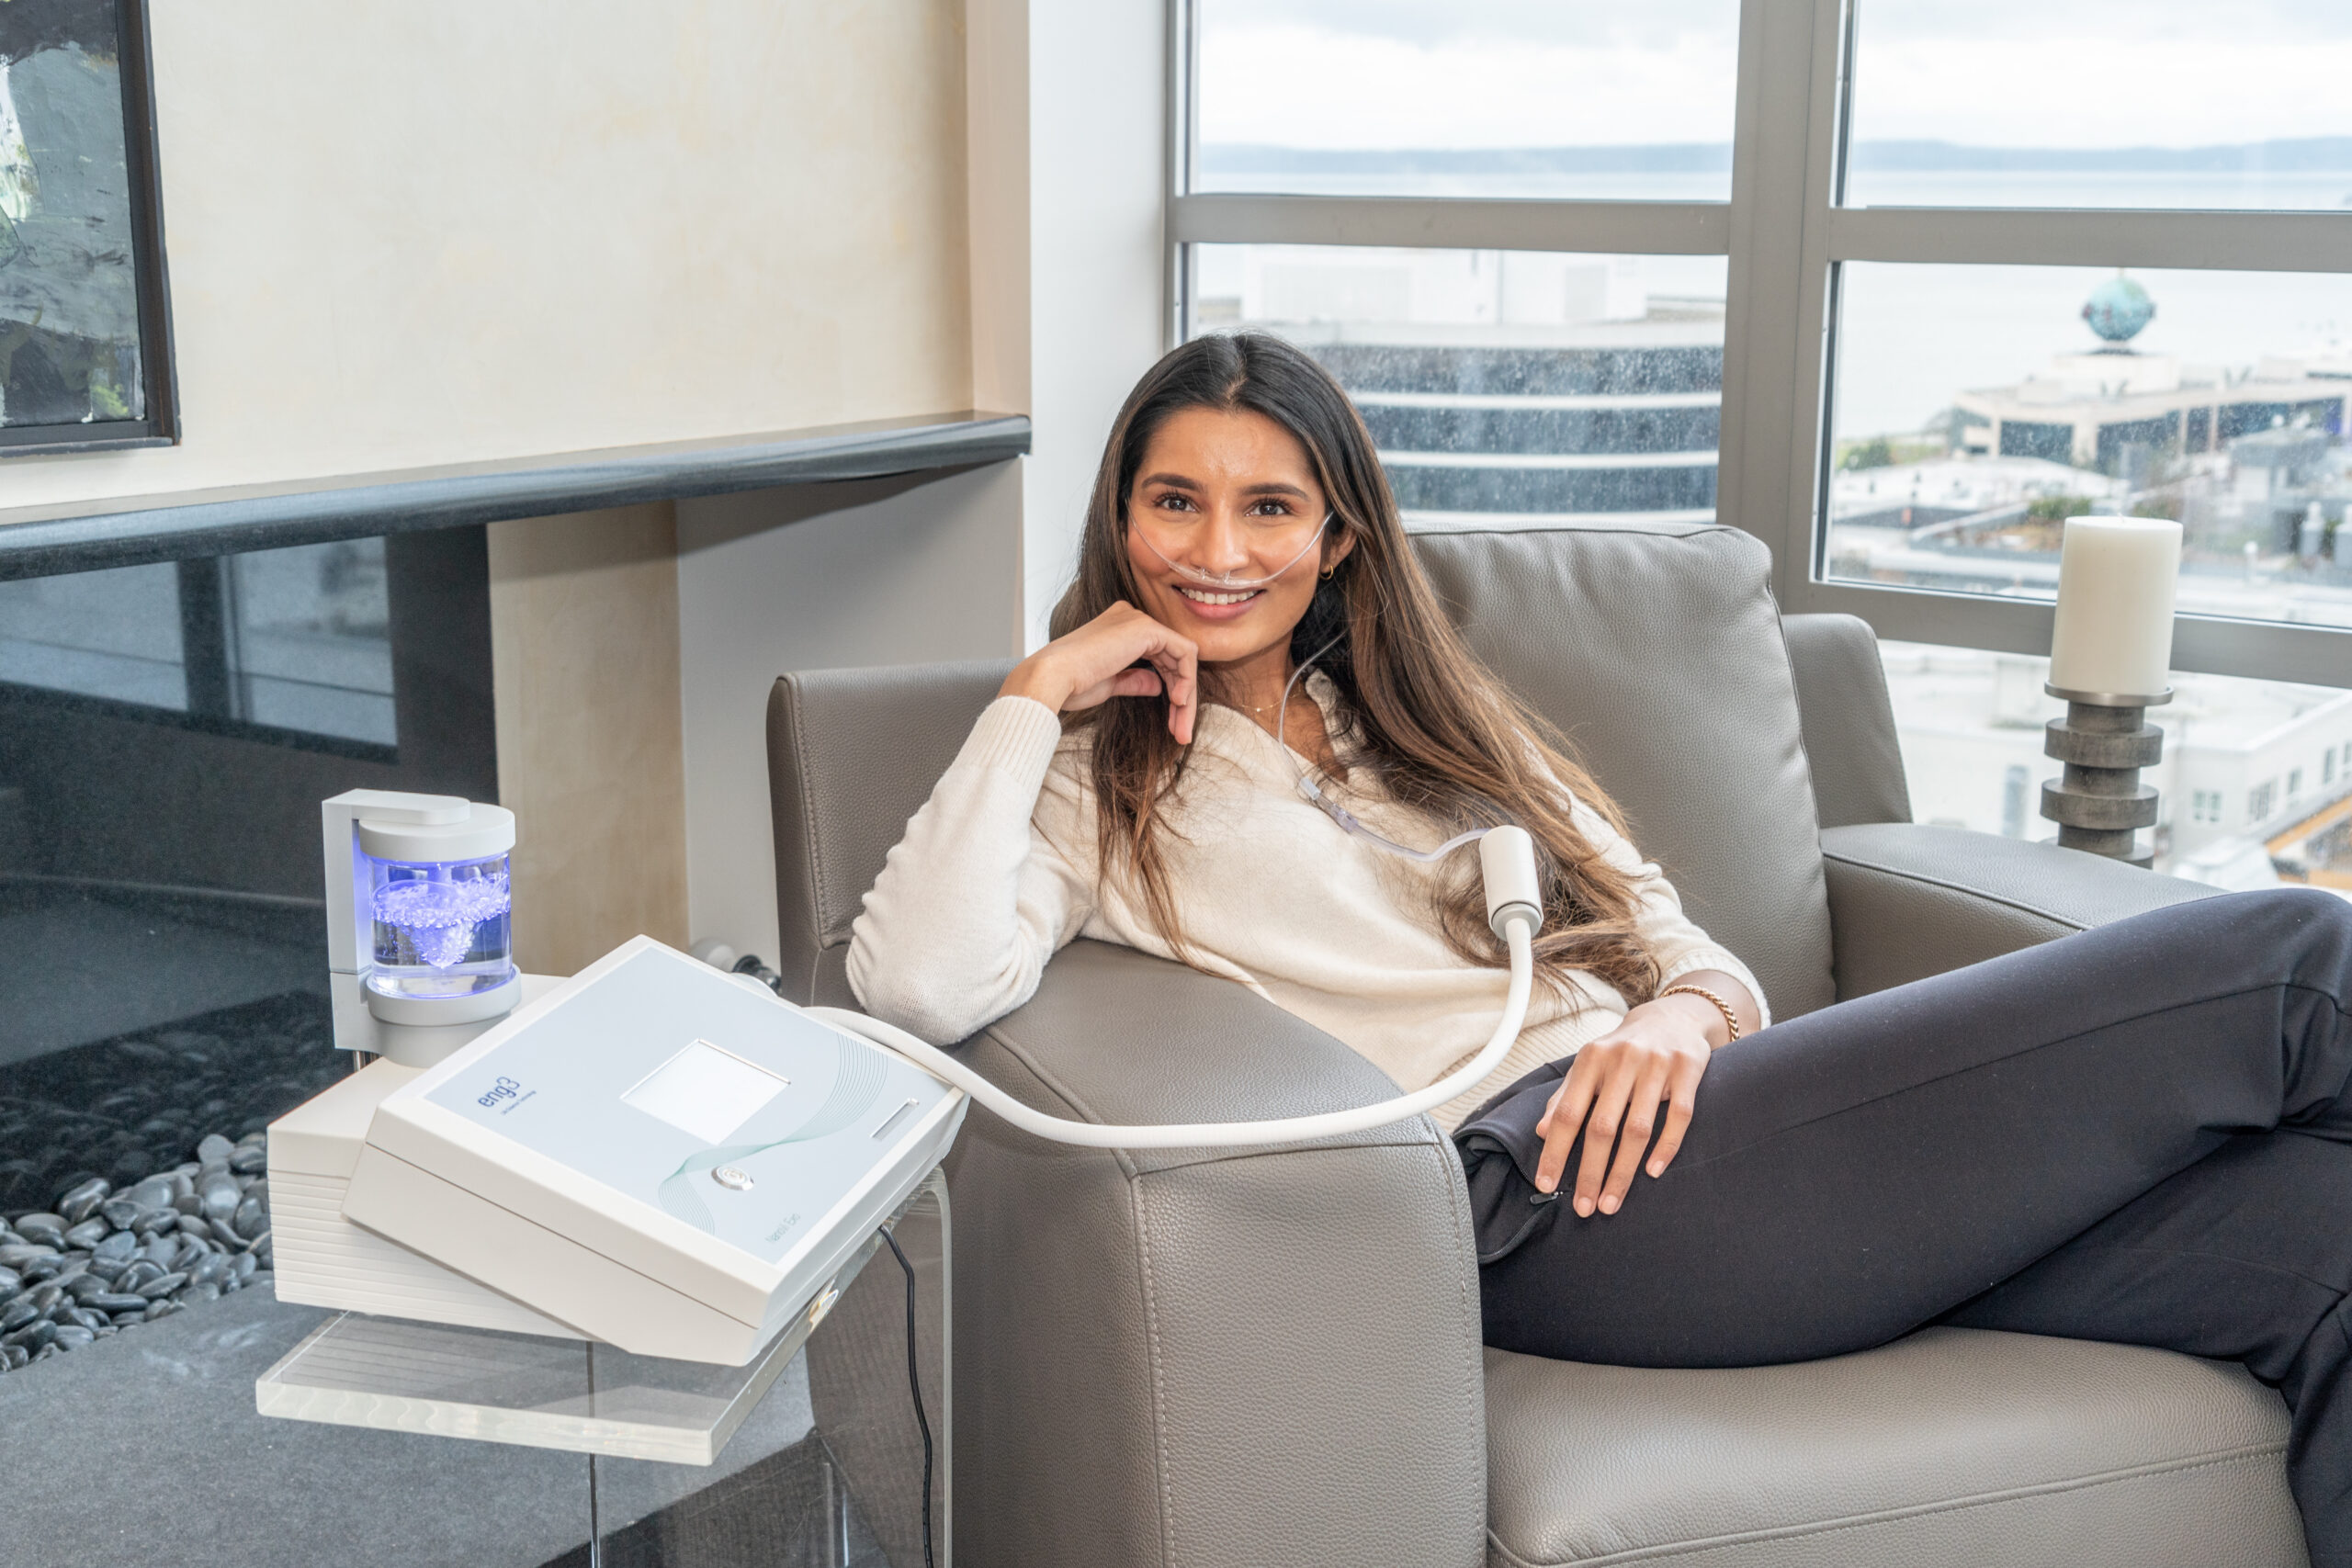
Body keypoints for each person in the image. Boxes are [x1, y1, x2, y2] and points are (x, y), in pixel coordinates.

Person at [849, 332, 2352, 1564]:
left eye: (1270, 507)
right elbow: (913, 979)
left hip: (1710, 1129)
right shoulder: (1086, 793)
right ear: (1120, 518)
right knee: (2288, 956)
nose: (1219, 551)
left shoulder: (1437, 723)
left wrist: (1681, 1017)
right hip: (1546, 1195)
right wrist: (1036, 694)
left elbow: (1678, 942)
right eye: (1175, 502)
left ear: (1338, 533)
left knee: (2325, 1247)